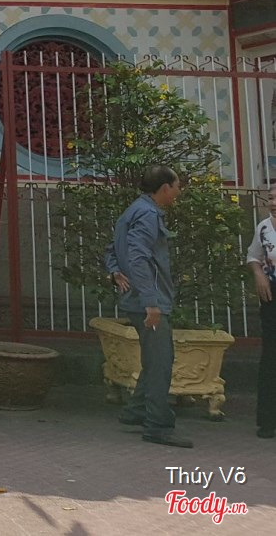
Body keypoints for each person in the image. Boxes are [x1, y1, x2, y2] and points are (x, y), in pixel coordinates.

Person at [105, 164, 189, 448]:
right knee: (160, 363)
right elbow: (139, 258)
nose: (178, 192)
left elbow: (113, 249)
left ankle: (136, 410)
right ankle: (157, 425)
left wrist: (114, 272)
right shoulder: (148, 214)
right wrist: (151, 303)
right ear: (165, 188)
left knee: (155, 360)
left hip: (137, 300)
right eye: (177, 186)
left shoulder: (132, 211)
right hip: (149, 303)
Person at [246, 179, 276, 439]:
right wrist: (259, 275)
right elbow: (253, 256)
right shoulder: (264, 227)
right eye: (271, 198)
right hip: (271, 296)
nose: (273, 203)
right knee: (271, 356)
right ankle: (268, 420)